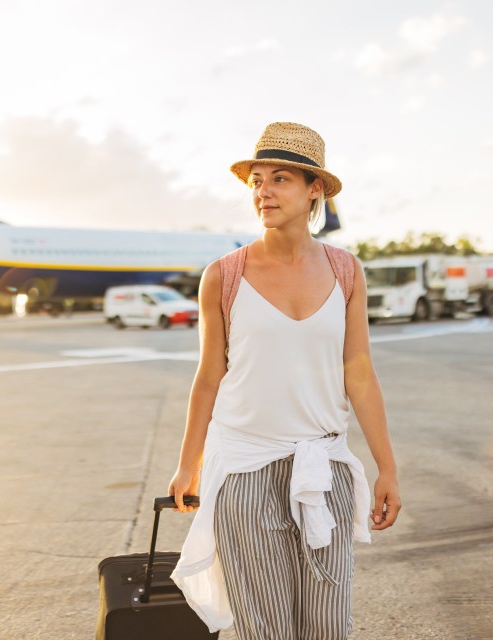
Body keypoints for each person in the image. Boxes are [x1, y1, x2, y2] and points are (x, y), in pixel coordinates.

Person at [167, 122, 401, 639]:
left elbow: (358, 373)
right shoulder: (224, 275)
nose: (263, 192)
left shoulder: (346, 271)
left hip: (325, 468)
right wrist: (189, 464)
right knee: (265, 628)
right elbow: (209, 375)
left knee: (326, 626)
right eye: (256, 180)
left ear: (314, 188)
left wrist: (387, 468)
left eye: (279, 179)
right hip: (246, 469)